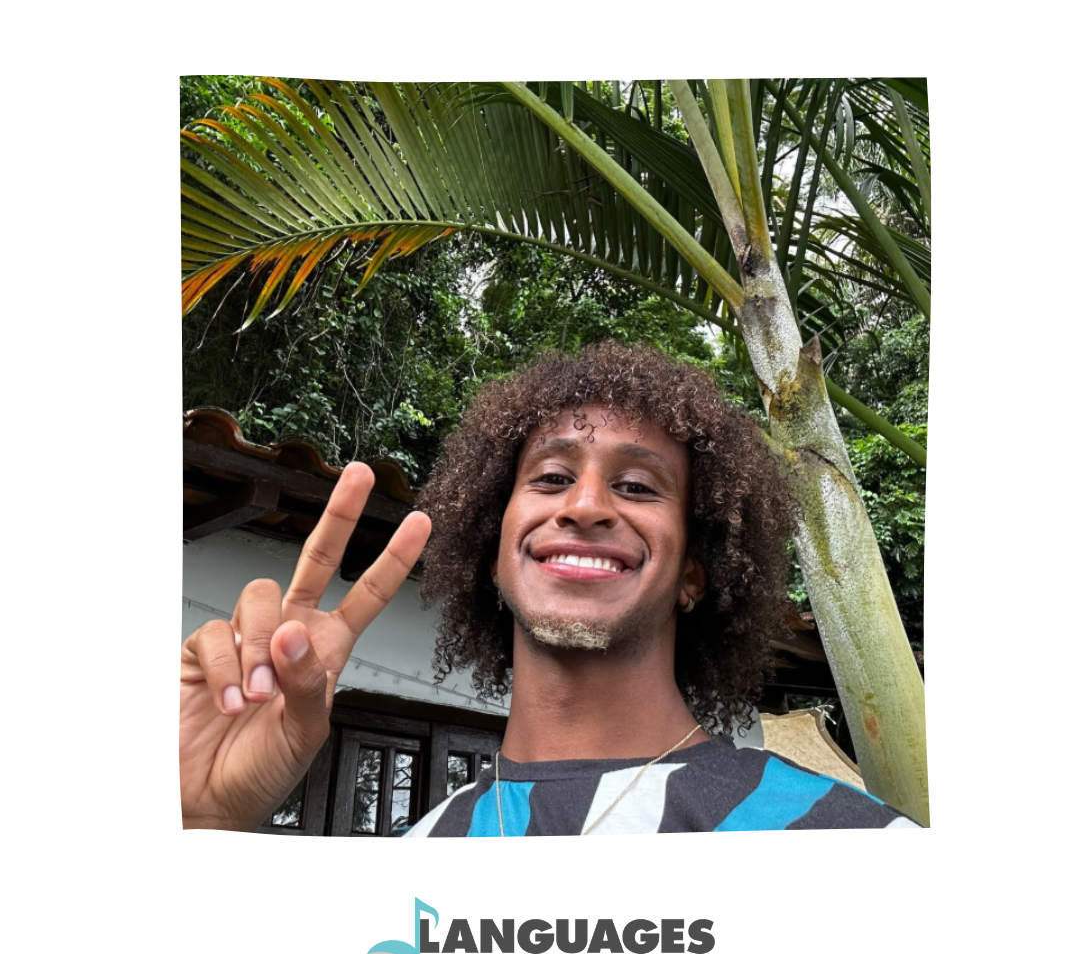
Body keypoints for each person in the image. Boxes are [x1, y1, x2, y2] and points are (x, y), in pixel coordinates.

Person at [180, 342, 918, 834]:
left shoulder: (843, 847)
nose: (585, 505)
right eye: (552, 478)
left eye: (635, 485)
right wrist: (204, 825)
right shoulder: (414, 865)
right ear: (494, 556)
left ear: (697, 572)